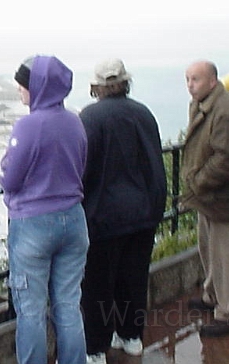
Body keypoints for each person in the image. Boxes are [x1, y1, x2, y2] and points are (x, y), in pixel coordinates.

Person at [0, 55, 89, 364]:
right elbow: (81, 166)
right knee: (68, 305)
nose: (20, 92)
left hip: (33, 224)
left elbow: (10, 180)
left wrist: (3, 169)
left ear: (36, 87)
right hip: (74, 219)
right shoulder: (75, 121)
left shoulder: (27, 125)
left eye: (23, 86)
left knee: (31, 311)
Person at [79, 59, 167, 364]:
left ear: (97, 87)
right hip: (143, 214)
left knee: (97, 285)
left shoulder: (90, 117)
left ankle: (96, 349)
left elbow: (84, 168)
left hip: (103, 217)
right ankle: (131, 338)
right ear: (125, 83)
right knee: (133, 279)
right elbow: (155, 164)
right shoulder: (143, 113)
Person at [182, 60, 229, 337]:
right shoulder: (202, 104)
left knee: (226, 257)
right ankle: (212, 296)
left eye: (195, 79)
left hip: (225, 198)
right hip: (208, 197)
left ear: (213, 81)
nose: (190, 85)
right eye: (187, 79)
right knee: (209, 250)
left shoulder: (226, 111)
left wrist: (198, 181)